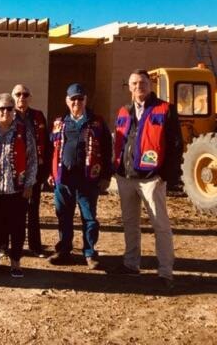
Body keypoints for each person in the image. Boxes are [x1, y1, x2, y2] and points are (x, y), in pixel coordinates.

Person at [112, 69, 182, 289]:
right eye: (134, 83)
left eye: (142, 82)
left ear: (150, 84)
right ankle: (131, 264)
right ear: (129, 87)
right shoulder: (124, 111)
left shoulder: (165, 109)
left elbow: (176, 146)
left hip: (152, 178)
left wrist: (165, 176)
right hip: (126, 177)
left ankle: (165, 271)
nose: (138, 86)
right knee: (130, 223)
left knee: (160, 225)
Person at [47, 84, 112, 270]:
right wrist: (50, 173)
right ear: (67, 101)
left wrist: (106, 176)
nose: (76, 102)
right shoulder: (59, 122)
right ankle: (64, 250)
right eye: (73, 99)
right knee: (63, 216)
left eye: (80, 99)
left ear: (85, 100)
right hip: (63, 178)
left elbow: (107, 150)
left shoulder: (97, 123)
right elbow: (51, 148)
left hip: (88, 179)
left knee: (89, 217)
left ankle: (90, 253)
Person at [0, 93, 36, 278]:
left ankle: (15, 262)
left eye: (10, 108)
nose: (6, 112)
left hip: (17, 190)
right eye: (2, 108)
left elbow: (32, 159)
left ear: (14, 110)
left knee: (17, 228)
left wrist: (29, 185)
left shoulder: (23, 132)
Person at [11, 84, 49, 257]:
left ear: (30, 97)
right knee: (11, 209)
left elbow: (47, 144)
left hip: (34, 169)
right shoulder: (7, 114)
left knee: (33, 208)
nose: (22, 97)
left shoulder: (38, 116)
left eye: (25, 94)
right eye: (18, 94)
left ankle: (35, 246)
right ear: (13, 97)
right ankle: (8, 246)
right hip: (13, 170)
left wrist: (46, 170)